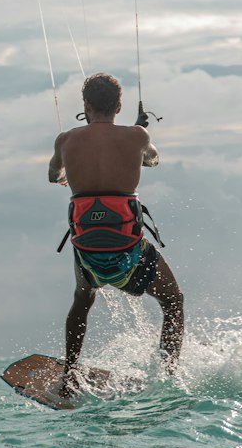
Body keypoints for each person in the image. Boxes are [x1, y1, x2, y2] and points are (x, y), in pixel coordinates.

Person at [48, 71, 184, 395]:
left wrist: (69, 173)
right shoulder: (136, 136)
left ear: (85, 104)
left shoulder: (65, 140)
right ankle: (167, 379)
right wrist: (141, 135)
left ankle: (68, 378)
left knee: (82, 300)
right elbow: (153, 161)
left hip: (89, 254)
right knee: (174, 302)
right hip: (130, 250)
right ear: (119, 105)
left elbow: (54, 176)